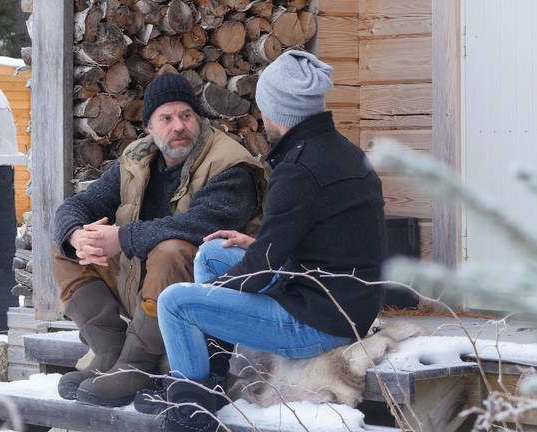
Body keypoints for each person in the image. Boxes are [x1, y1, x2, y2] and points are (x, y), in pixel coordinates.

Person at [151, 50, 388, 432]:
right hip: (339, 298)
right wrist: (254, 245)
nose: (261, 116)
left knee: (176, 302)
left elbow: (261, 272)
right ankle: (212, 378)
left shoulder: (298, 169)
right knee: (214, 253)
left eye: (263, 107)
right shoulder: (343, 152)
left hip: (318, 322)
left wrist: (210, 296)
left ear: (276, 109)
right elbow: (325, 240)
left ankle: (190, 415)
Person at [52, 74, 266, 407]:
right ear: (150, 127)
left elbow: (200, 226)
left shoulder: (230, 164)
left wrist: (123, 237)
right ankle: (111, 354)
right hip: (147, 289)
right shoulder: (137, 159)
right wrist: (77, 234)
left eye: (186, 115)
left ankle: (138, 366)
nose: (178, 126)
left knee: (171, 250)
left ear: (199, 119)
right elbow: (77, 206)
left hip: (210, 296)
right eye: (166, 118)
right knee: (73, 245)